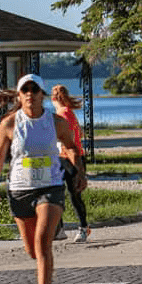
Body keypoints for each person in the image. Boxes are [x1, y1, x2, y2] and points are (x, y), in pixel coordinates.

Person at [0, 74, 86, 284]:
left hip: (50, 187)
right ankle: (45, 265)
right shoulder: (10, 124)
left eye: (35, 89)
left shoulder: (56, 122)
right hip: (20, 190)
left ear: (42, 94)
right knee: (32, 250)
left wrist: (79, 172)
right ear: (19, 96)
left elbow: (73, 146)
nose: (30, 93)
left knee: (43, 243)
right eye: (25, 90)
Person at [50, 85, 91, 242]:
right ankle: (59, 229)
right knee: (58, 192)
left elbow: (70, 137)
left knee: (73, 194)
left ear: (53, 99)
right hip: (63, 157)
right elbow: (79, 133)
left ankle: (82, 228)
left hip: (71, 158)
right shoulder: (69, 112)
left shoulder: (62, 114)